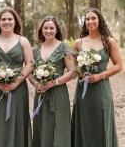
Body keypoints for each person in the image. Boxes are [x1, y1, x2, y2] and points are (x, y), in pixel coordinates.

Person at [71, 8, 122, 147]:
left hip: (101, 89)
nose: (90, 21)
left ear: (99, 20)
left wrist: (100, 75)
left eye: (93, 18)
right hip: (83, 91)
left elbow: (118, 66)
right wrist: (80, 72)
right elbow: (73, 67)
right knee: (84, 122)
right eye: (87, 19)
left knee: (101, 121)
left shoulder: (109, 41)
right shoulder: (78, 43)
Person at [0, 7, 33, 147]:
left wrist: (16, 82)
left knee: (15, 123)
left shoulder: (23, 41)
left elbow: (30, 64)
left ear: (15, 22)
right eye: (3, 19)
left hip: (18, 90)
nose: (6, 22)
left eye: (10, 19)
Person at [29, 16, 75, 147]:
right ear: (41, 30)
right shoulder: (35, 49)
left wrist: (53, 83)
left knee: (58, 126)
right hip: (41, 94)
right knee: (41, 125)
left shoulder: (63, 47)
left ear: (57, 30)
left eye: (51, 28)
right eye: (45, 28)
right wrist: (35, 83)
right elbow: (30, 73)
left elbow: (72, 72)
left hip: (58, 93)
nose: (48, 30)